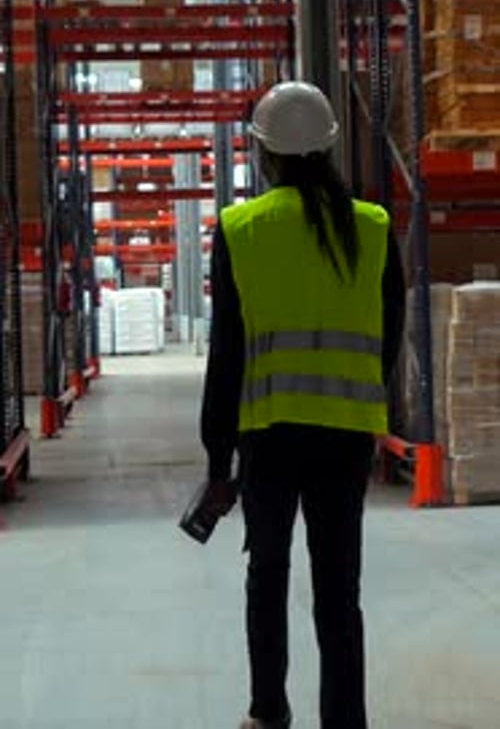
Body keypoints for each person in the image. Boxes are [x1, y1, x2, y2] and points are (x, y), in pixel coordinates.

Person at [200, 81, 406, 729]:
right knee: (339, 592)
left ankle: (270, 711)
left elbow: (227, 352)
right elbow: (389, 335)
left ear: (264, 154)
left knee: (267, 574)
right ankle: (345, 719)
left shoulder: (241, 229)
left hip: (269, 435)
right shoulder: (372, 228)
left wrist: (217, 457)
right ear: (328, 148)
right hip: (345, 435)